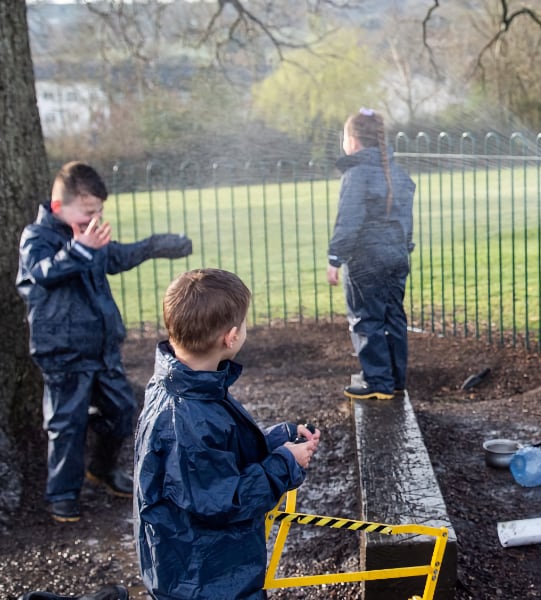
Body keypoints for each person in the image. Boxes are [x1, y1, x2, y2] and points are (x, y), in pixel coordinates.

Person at [16, 161, 193, 523]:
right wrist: (80, 248)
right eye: (88, 211)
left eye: (98, 211)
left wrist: (157, 246)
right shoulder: (38, 237)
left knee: (122, 411)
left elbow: (116, 257)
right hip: (62, 351)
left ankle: (102, 468)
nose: (94, 218)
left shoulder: (90, 239)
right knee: (67, 424)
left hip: (102, 348)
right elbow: (42, 274)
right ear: (58, 206)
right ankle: (62, 494)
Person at [134, 268, 320, 600]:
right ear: (230, 337)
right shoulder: (188, 416)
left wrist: (276, 441)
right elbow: (224, 501)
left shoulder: (183, 384)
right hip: (205, 577)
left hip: (196, 563)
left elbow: (211, 462)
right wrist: (283, 464)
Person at [326, 108, 416, 400]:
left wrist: (334, 259)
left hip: (367, 258)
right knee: (393, 316)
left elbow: (348, 221)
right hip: (397, 256)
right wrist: (406, 247)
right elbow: (406, 221)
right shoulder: (398, 173)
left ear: (352, 141)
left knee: (366, 318)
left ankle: (377, 383)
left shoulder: (356, 175)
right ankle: (396, 379)